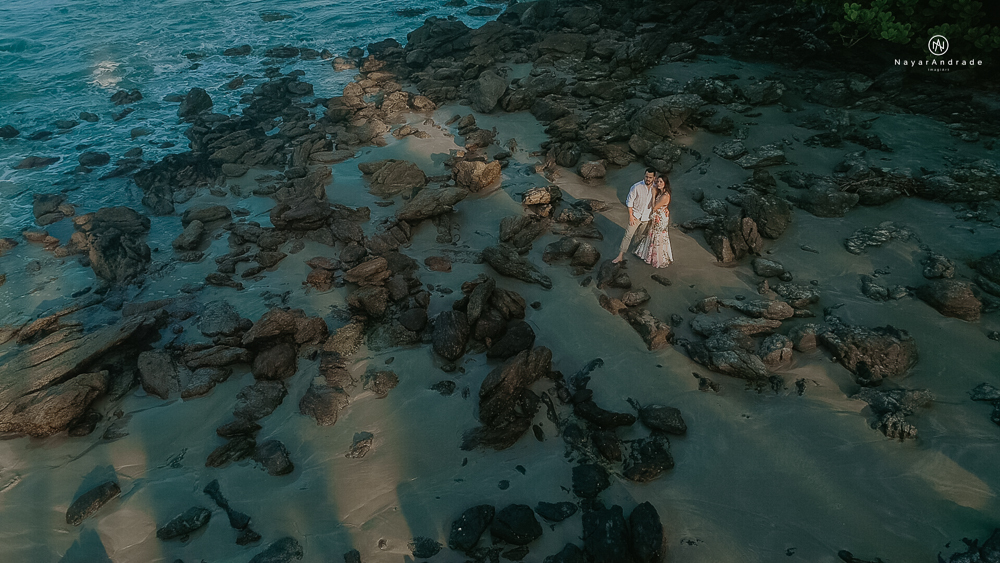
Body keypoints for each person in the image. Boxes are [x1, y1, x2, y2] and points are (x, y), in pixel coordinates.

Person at [612, 168, 656, 264]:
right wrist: (631, 216)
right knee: (628, 235)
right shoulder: (636, 187)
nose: (648, 179)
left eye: (650, 177)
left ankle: (635, 250)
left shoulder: (656, 188)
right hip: (635, 215)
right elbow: (629, 202)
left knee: (640, 236)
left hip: (647, 217)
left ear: (654, 178)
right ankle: (620, 255)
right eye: (646, 177)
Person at [634, 174, 673, 267]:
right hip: (657, 217)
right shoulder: (661, 192)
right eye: (658, 181)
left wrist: (653, 194)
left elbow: (654, 207)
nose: (658, 183)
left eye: (661, 182)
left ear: (665, 183)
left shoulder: (665, 195)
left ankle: (657, 258)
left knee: (657, 237)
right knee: (652, 235)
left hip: (660, 219)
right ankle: (649, 255)